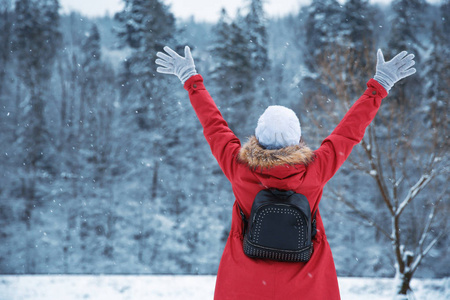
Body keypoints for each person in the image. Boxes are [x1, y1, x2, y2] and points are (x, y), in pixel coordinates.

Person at [155, 46, 416, 300]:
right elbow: (348, 132)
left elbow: (213, 124)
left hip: (245, 284)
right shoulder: (315, 169)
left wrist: (191, 79)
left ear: (257, 137)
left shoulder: (239, 168)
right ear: (297, 139)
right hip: (307, 284)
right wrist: (379, 86)